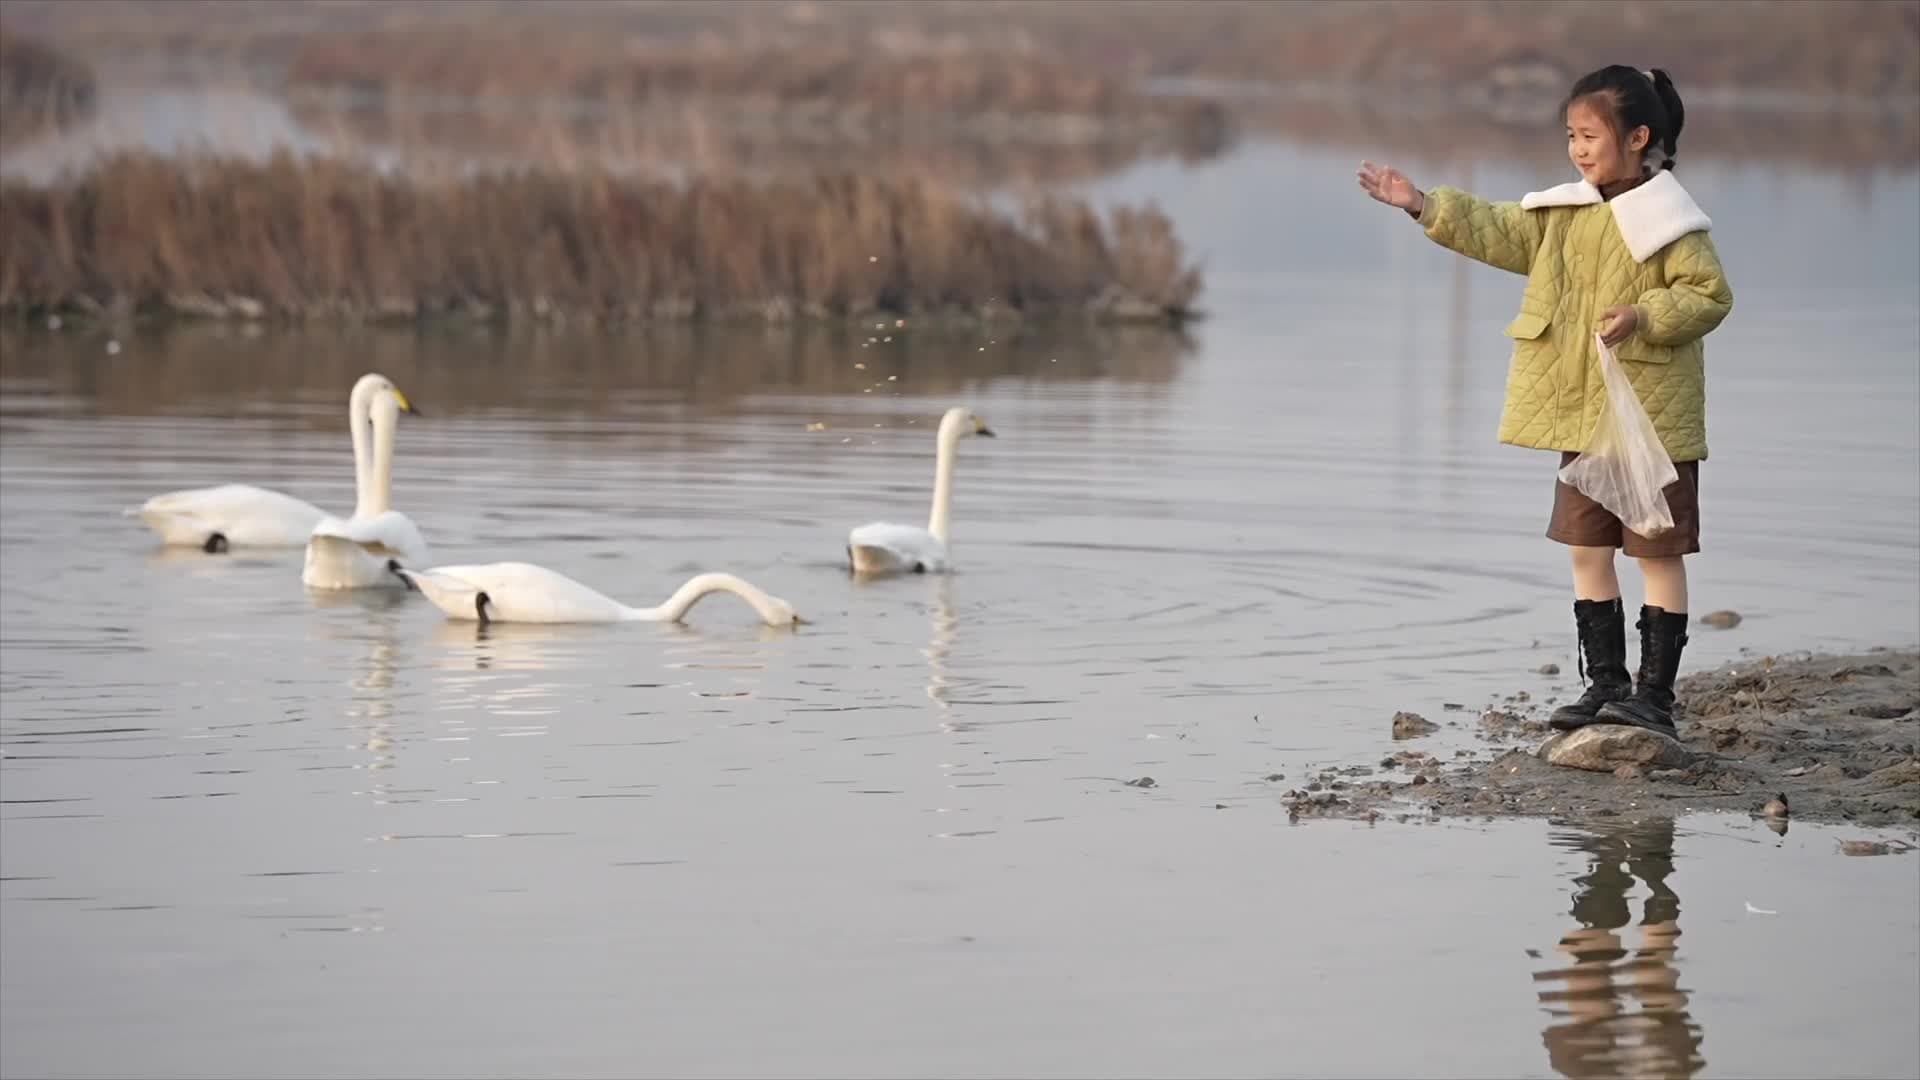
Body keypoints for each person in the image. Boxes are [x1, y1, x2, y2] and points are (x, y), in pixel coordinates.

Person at [1356, 65, 1733, 736]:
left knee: (1655, 553)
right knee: (1587, 550)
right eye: (1571, 135)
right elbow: (1501, 229)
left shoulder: (1672, 222)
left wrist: (1644, 315)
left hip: (1651, 423)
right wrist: (1423, 204)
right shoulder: (1568, 212)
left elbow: (1708, 297)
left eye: (1590, 136)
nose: (1578, 149)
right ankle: (1605, 686)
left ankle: (1655, 700)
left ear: (1639, 136)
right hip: (1585, 418)